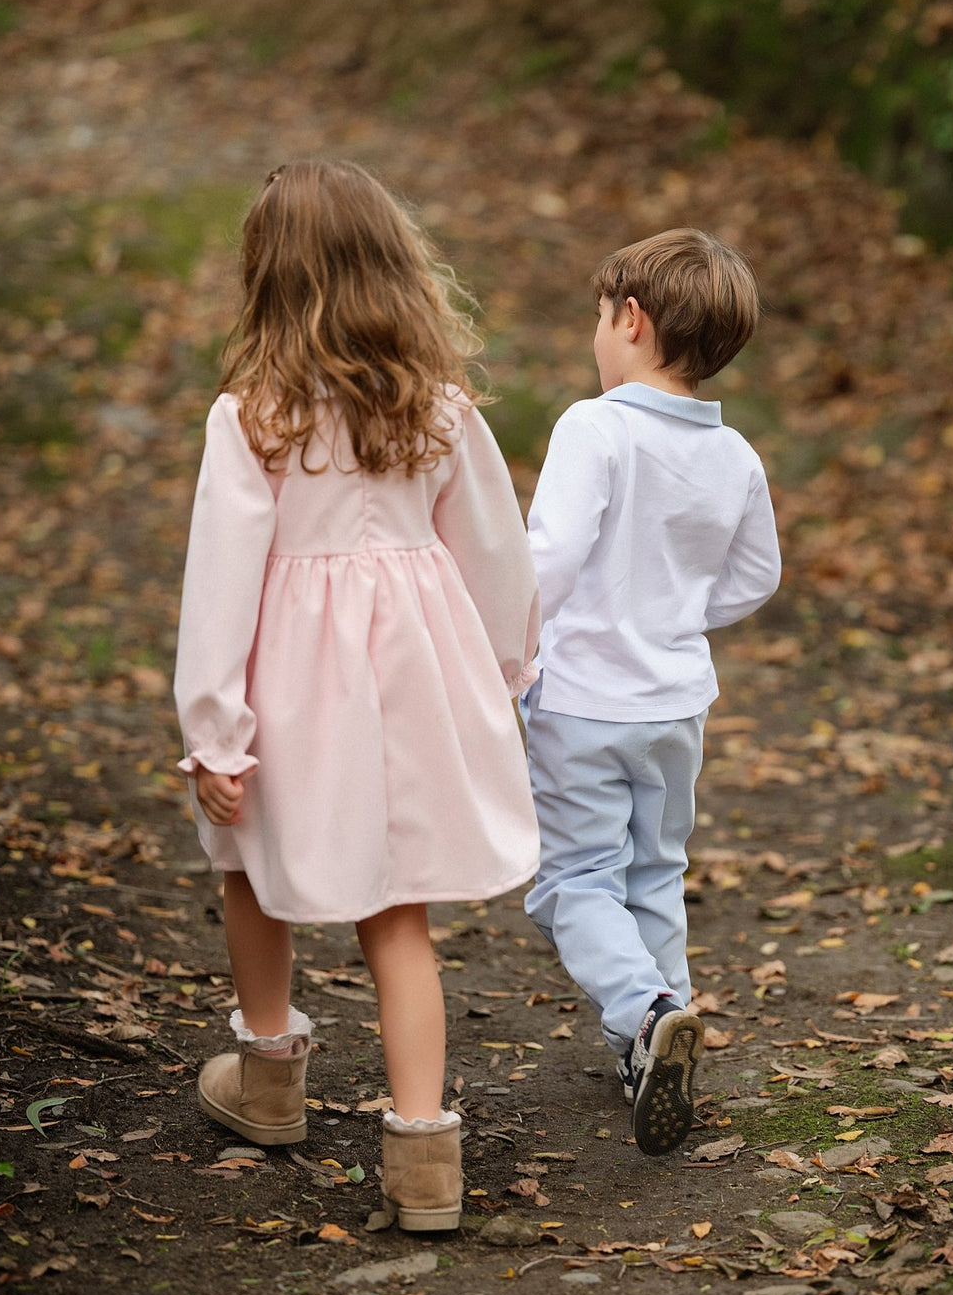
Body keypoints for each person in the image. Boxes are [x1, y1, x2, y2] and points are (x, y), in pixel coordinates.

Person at [174, 160, 540, 1231]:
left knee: (247, 860)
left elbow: (220, 589)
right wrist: (507, 671)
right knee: (398, 909)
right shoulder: (441, 411)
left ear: (268, 281)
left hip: (291, 690)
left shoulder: (252, 419)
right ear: (397, 271)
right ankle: (424, 1154)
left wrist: (215, 734)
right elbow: (497, 558)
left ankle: (269, 1075)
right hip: (416, 682)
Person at [523, 228, 781, 1156]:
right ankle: (659, 1039)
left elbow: (546, 559)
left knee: (574, 879)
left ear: (630, 319)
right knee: (655, 869)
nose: (596, 331)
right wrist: (671, 612)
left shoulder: (594, 426)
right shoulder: (736, 455)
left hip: (583, 698)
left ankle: (644, 1011)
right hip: (676, 703)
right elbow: (756, 577)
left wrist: (504, 648)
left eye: (601, 314)